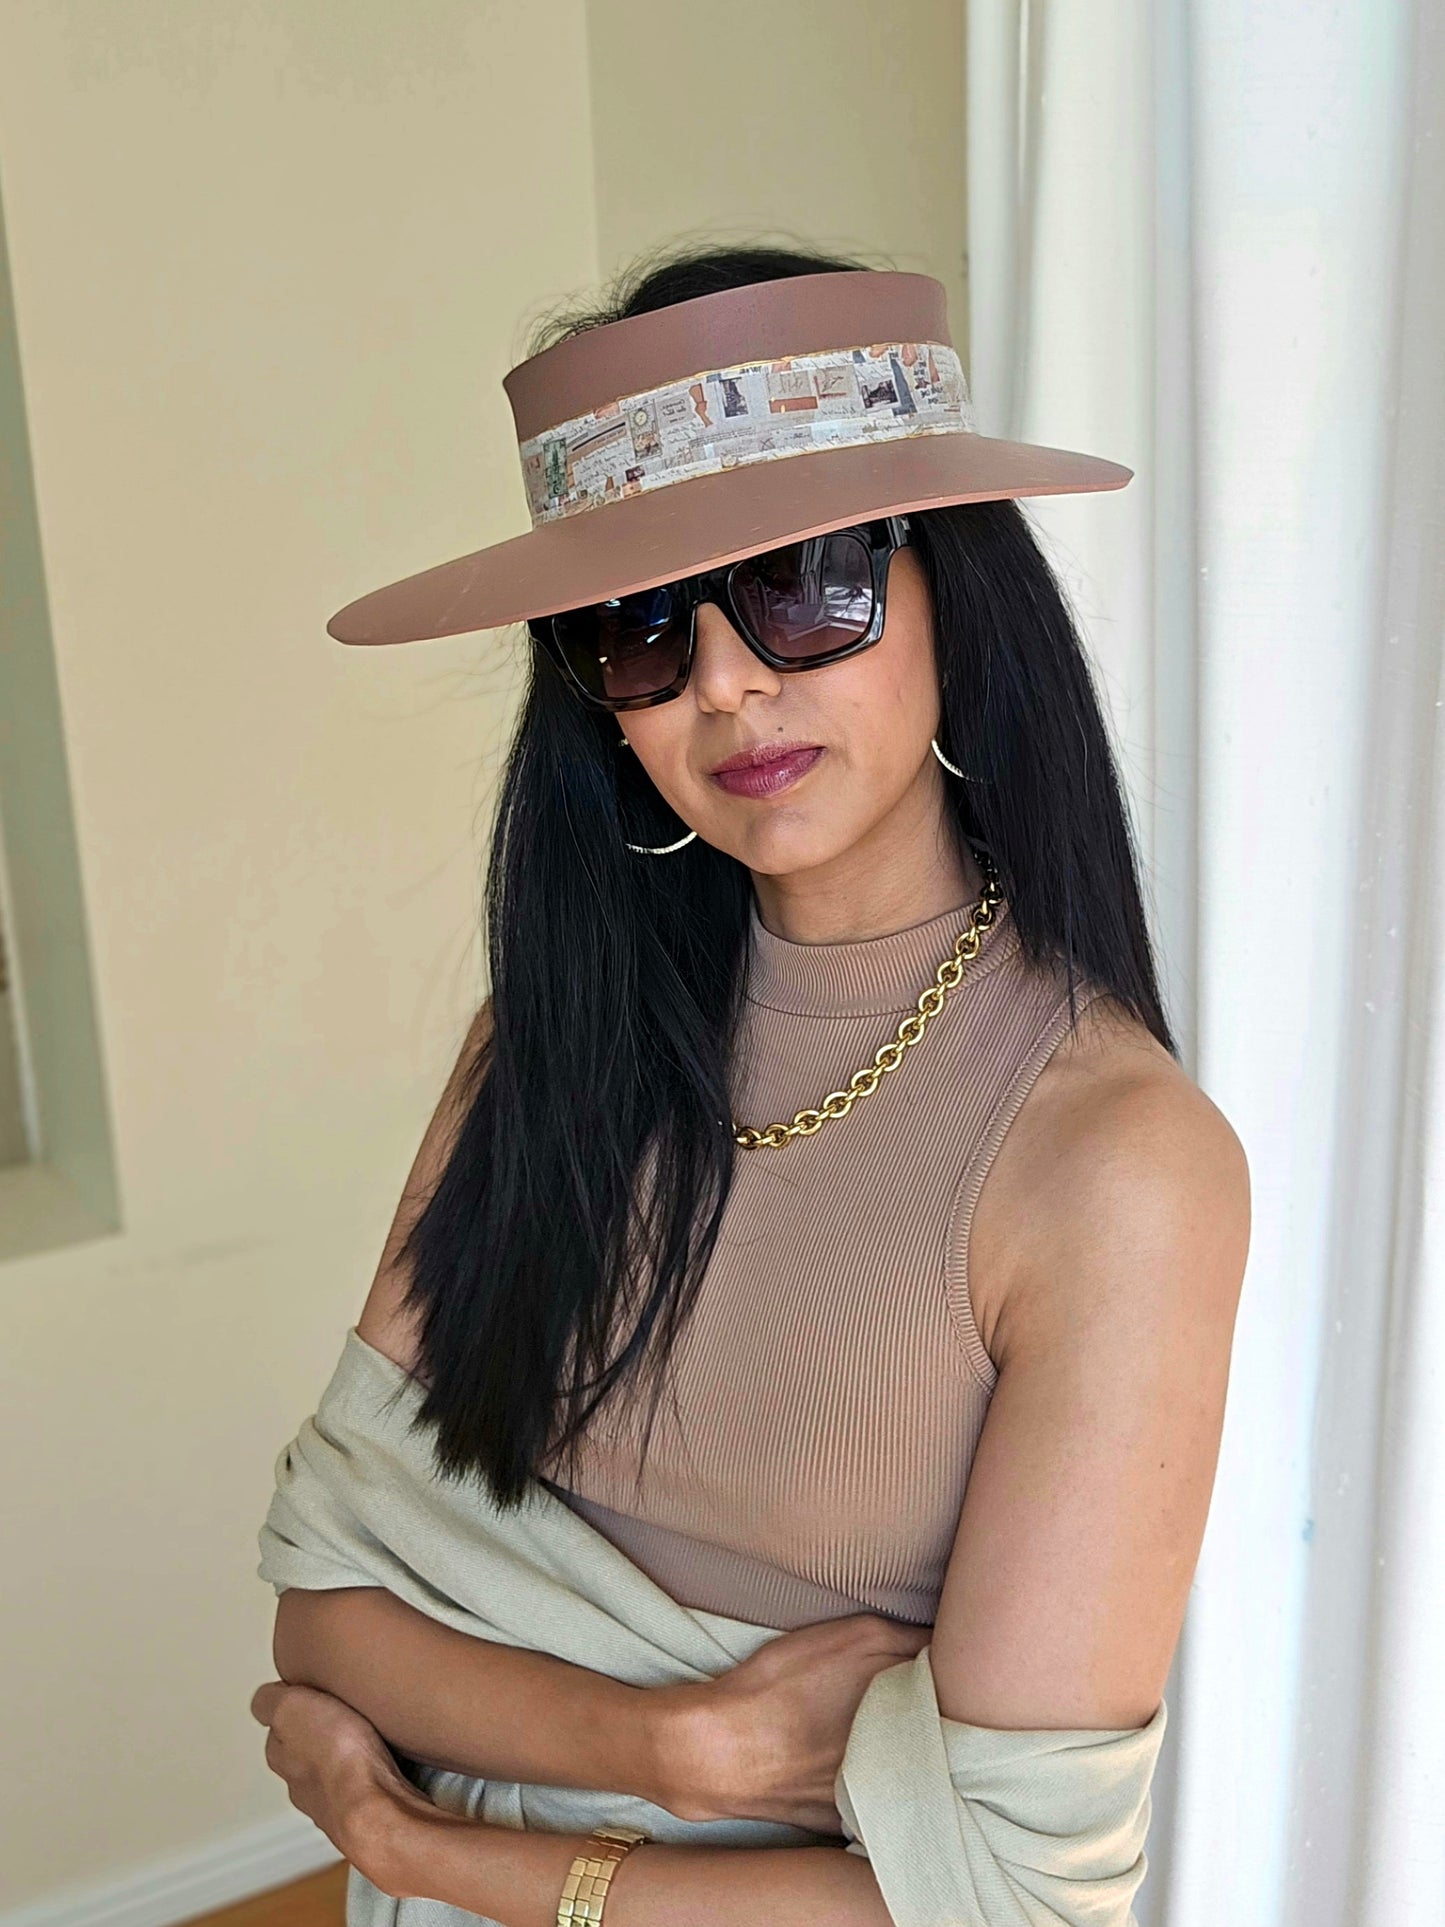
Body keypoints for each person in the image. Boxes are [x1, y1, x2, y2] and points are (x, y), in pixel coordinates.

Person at [251, 243, 1250, 1926]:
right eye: (638, 628)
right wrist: (682, 1753)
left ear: (955, 591)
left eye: (804, 583)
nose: (724, 680)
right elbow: (322, 1608)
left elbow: (1002, 1897)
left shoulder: (1115, 1165)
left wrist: (425, 1843)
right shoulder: (548, 1048)